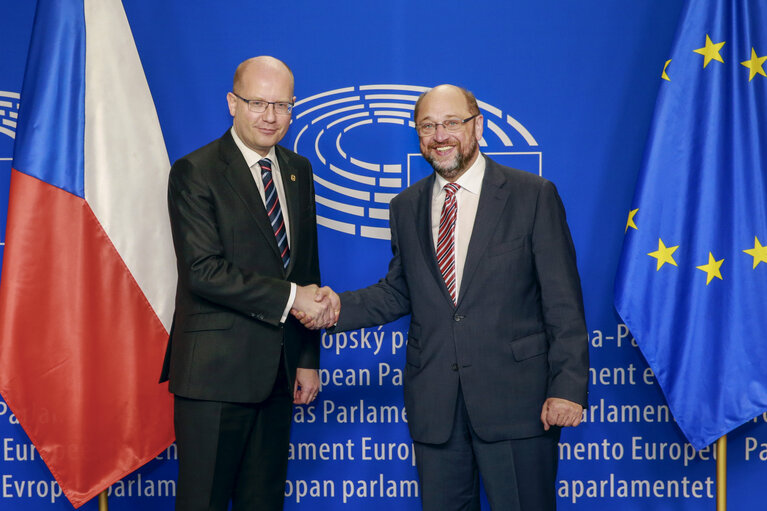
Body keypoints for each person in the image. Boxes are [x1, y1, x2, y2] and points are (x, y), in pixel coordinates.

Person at [301, 84, 589, 510]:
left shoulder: (532, 196)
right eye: (428, 126)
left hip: (517, 404)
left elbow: (563, 303)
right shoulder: (406, 206)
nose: (440, 136)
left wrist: (567, 388)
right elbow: (399, 290)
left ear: (478, 126)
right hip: (436, 408)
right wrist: (334, 308)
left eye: (451, 123)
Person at [160, 56, 334, 511]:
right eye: (258, 103)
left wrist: (307, 358)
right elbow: (203, 271)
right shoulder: (195, 171)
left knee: (264, 501)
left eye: (282, 105)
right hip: (213, 377)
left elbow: (306, 269)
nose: (271, 116)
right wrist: (294, 298)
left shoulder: (298, 170)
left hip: (278, 372)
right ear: (232, 104)